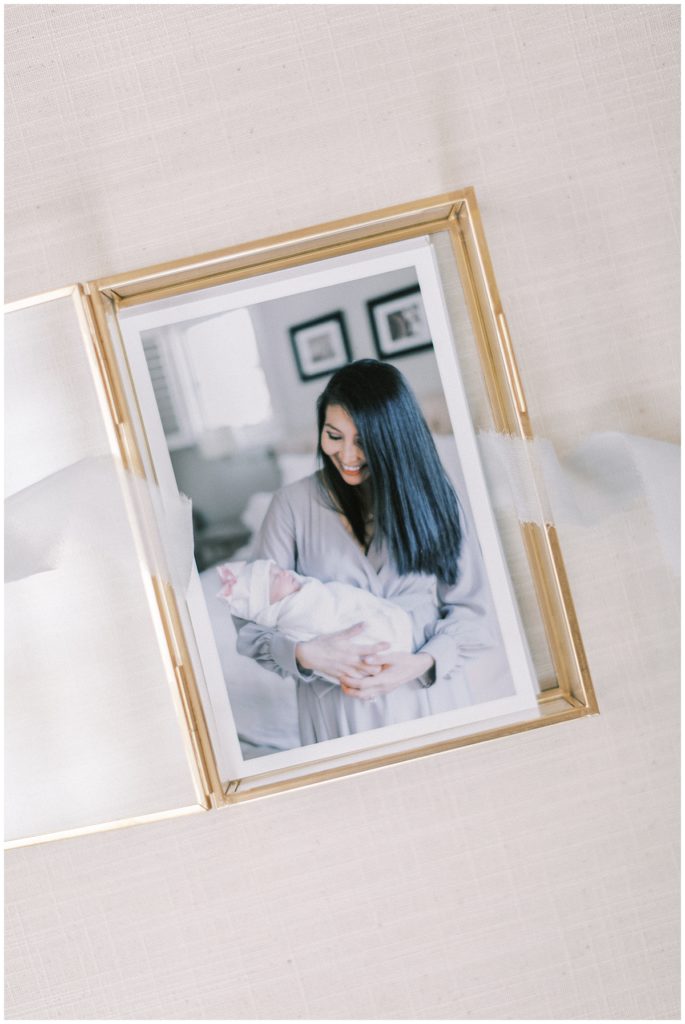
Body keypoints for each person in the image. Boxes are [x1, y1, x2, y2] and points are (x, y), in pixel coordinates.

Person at [233, 358, 496, 745]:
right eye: (333, 435)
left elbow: (473, 613)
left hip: (430, 700)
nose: (348, 455)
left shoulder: (436, 499)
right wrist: (305, 654)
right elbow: (250, 616)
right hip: (338, 713)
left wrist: (420, 663)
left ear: (395, 440)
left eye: (364, 441)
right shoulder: (291, 505)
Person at [217, 557, 413, 685]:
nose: (285, 572)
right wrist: (303, 652)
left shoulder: (304, 590)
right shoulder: (292, 613)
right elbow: (320, 621)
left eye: (279, 569)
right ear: (265, 603)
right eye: (276, 577)